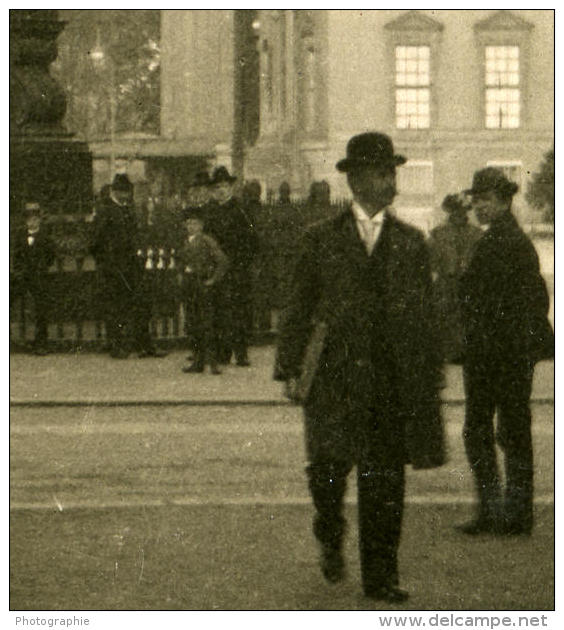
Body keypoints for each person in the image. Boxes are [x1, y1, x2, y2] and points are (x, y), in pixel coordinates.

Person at [275, 132, 445, 602]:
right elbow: (297, 307)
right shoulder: (320, 240)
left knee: (385, 480)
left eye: (392, 172)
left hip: (389, 384)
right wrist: (290, 368)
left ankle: (380, 577)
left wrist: (428, 378)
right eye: (379, 172)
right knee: (328, 475)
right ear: (354, 181)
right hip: (334, 380)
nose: (390, 181)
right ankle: (329, 532)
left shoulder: (411, 244)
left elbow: (425, 317)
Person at [457, 167, 554, 536]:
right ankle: (508, 511)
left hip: (499, 353)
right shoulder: (502, 238)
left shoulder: (507, 241)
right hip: (500, 352)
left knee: (491, 430)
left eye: (485, 200)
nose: (478, 206)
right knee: (505, 430)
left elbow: (531, 300)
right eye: (476, 199)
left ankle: (502, 512)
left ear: (503, 201)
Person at [91, 173, 166, 359]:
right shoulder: (105, 210)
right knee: (115, 307)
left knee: (141, 303)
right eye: (122, 192)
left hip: (132, 264)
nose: (125, 196)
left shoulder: (129, 208)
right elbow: (94, 242)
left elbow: (136, 234)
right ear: (114, 192)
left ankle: (143, 344)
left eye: (127, 192)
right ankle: (117, 346)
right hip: (113, 267)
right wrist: (106, 262)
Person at [206, 166, 259, 366]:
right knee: (219, 310)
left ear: (231, 188)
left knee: (239, 311)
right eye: (218, 187)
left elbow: (252, 240)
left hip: (237, 268)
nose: (221, 190)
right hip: (217, 270)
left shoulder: (240, 209)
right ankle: (223, 352)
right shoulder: (209, 211)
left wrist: (243, 262)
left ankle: (241, 352)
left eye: (225, 186)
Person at [427, 193, 483, 364]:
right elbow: (429, 262)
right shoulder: (438, 234)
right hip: (446, 285)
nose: (460, 214)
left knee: (469, 316)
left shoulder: (477, 234)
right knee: (446, 315)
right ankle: (449, 351)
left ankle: (467, 350)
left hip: (470, 284)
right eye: (455, 211)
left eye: (463, 211)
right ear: (449, 212)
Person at [178, 205, 229, 374]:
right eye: (189, 223)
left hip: (202, 284)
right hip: (190, 285)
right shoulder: (185, 242)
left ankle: (213, 363)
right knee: (193, 324)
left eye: (195, 223)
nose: (191, 226)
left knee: (207, 324)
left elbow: (222, 261)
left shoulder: (207, 241)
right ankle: (198, 362)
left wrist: (213, 280)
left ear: (201, 225)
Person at [11, 202, 56, 355]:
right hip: (22, 276)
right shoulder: (19, 236)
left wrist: (42, 267)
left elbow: (51, 256)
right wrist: (18, 270)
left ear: (39, 220)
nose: (33, 222)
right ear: (26, 221)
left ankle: (41, 343)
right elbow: (15, 255)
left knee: (41, 309)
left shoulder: (45, 237)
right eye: (30, 219)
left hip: (39, 276)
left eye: (35, 219)